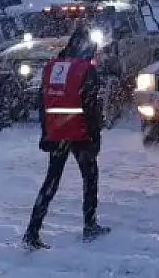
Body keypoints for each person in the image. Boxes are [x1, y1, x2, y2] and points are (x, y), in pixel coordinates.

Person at [23, 28, 110, 249]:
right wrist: (95, 135)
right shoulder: (86, 70)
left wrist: (46, 132)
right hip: (80, 132)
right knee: (90, 178)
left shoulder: (51, 68)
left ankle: (32, 231)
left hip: (58, 132)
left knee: (51, 181)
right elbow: (90, 107)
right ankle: (89, 224)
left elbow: (43, 103)